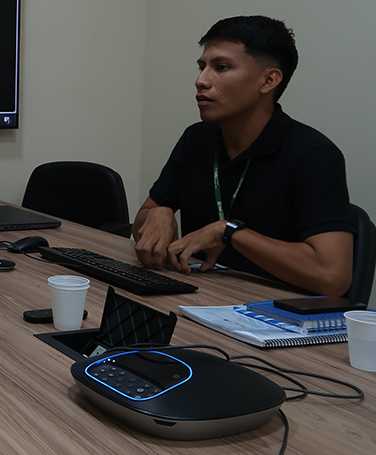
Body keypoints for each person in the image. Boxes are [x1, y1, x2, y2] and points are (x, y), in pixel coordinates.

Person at [132, 15, 355, 296]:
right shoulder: (196, 138)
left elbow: (332, 277)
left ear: (268, 80)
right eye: (202, 67)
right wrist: (159, 213)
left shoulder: (314, 154)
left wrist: (229, 232)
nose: (201, 81)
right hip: (199, 295)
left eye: (221, 68)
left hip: (271, 310)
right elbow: (141, 228)